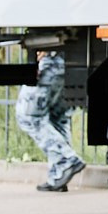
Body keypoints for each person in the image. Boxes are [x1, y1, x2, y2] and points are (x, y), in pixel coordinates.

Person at [19, 50, 84, 192]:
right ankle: (58, 175)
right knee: (58, 117)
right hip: (73, 59)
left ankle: (66, 160)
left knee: (28, 117)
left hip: (52, 60)